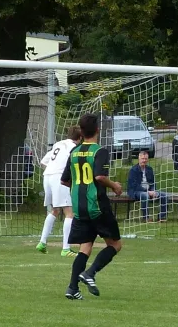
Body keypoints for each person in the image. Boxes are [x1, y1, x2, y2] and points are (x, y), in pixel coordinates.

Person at [61, 114, 123, 300]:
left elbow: (65, 181)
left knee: (85, 248)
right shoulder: (99, 151)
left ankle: (72, 288)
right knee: (116, 244)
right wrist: (115, 186)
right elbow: (99, 177)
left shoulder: (74, 152)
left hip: (79, 207)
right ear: (98, 130)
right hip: (96, 205)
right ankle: (90, 273)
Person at [36, 126, 82, 257]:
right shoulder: (73, 147)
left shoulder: (58, 144)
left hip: (47, 176)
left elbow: (43, 161)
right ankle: (66, 248)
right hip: (58, 177)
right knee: (70, 212)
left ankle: (42, 242)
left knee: (55, 210)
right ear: (79, 138)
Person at [127, 151, 168, 222]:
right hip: (136, 192)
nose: (144, 160)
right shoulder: (133, 170)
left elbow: (153, 182)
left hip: (149, 191)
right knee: (145, 195)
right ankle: (146, 218)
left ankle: (161, 217)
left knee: (164, 195)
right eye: (142, 159)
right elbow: (134, 185)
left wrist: (154, 191)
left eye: (146, 159)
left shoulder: (149, 169)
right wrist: (148, 192)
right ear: (139, 159)